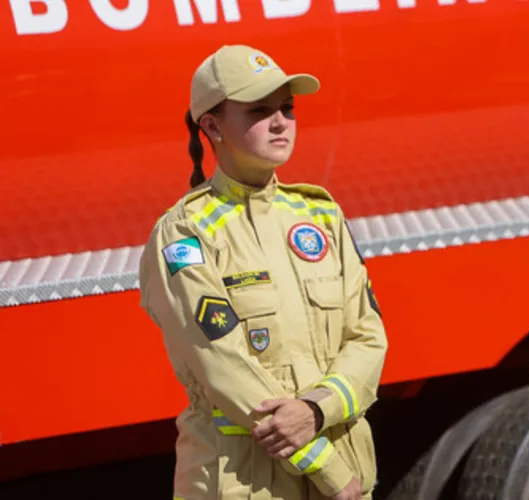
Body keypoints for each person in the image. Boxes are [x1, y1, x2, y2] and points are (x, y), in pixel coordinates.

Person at [138, 44, 388, 500]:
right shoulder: (184, 233)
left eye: (287, 108)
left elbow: (367, 338)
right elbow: (224, 367)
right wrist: (328, 469)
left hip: (345, 478)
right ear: (211, 126)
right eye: (259, 110)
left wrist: (316, 409)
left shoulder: (319, 215)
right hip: (248, 484)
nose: (280, 123)